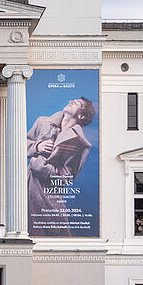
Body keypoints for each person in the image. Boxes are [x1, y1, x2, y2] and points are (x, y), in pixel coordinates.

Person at [26, 97, 96, 236]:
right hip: (28, 187)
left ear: (81, 116)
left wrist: (38, 164)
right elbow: (20, 144)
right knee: (25, 233)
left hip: (50, 196)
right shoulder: (42, 122)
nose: (71, 101)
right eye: (73, 100)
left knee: (56, 236)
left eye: (78, 103)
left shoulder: (81, 143)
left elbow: (67, 176)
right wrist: (37, 146)